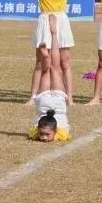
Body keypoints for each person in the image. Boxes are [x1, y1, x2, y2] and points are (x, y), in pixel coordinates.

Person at [27, 0, 79, 106]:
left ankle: (69, 97)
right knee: (40, 62)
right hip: (44, 19)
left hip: (61, 21)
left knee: (64, 62)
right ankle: (33, 97)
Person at [30, 13, 71, 142]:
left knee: (52, 70)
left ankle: (47, 54)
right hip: (46, 105)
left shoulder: (62, 132)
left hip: (54, 105)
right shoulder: (59, 133)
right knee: (51, 70)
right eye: (45, 134)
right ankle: (53, 36)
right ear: (55, 131)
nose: (43, 138)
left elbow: (37, 133)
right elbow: (34, 133)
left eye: (44, 134)